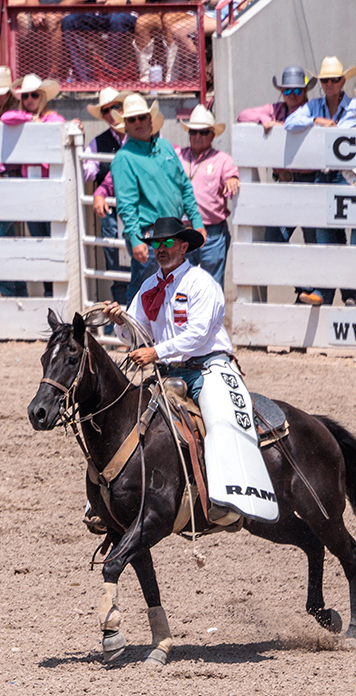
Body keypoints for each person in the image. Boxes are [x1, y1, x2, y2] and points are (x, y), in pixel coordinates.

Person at [100, 216, 274, 525]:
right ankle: (114, 496)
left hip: (208, 365)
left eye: (167, 243)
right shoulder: (149, 286)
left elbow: (199, 335)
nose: (161, 249)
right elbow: (134, 334)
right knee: (130, 420)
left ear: (183, 247)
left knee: (221, 420)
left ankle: (228, 497)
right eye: (156, 243)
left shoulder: (201, 283)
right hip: (169, 372)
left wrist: (155, 351)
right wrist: (119, 321)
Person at [281, 57, 356, 305]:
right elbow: (291, 122)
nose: (329, 84)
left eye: (334, 79)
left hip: (348, 175)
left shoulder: (355, 106)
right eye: (325, 80)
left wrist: (320, 126)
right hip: (327, 174)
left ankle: (343, 293)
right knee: (327, 230)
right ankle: (339, 294)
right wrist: (316, 121)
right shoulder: (319, 107)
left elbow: (345, 132)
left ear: (342, 81)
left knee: (350, 233)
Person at [237, 65, 322, 304]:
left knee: (314, 243)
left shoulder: (312, 108)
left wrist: (278, 126)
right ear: (282, 91)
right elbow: (243, 115)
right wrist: (267, 119)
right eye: (288, 90)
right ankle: (305, 287)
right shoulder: (275, 109)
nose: (292, 94)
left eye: (297, 89)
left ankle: (309, 292)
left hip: (310, 183)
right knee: (273, 240)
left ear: (305, 90)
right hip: (285, 185)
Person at [107, 92, 203, 304]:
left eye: (142, 117)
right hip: (148, 236)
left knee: (173, 286)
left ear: (151, 120)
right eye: (132, 119)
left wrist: (197, 221)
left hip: (175, 232)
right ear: (126, 125)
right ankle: (136, 335)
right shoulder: (124, 158)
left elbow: (185, 186)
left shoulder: (166, 147)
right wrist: (134, 239)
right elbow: (127, 204)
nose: (138, 122)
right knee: (145, 288)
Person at [0, 73, 63, 299]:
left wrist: (33, 121)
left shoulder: (53, 119)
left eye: (34, 95)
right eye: (26, 96)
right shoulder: (24, 118)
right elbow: (8, 117)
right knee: (40, 244)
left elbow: (59, 126)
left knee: (51, 244)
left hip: (49, 191)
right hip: (32, 191)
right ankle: (45, 294)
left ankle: (52, 294)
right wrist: (31, 120)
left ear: (43, 97)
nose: (29, 100)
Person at [175, 104, 237, 287]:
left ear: (212, 134)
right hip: (182, 231)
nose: (197, 136)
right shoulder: (178, 155)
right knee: (181, 284)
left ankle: (211, 317)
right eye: (193, 132)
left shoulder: (223, 160)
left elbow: (231, 175)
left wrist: (232, 179)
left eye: (203, 132)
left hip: (212, 232)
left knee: (212, 285)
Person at [83, 87, 127, 305]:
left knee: (146, 266)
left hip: (136, 210)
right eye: (107, 110)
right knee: (116, 267)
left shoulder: (143, 135)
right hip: (110, 211)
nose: (112, 113)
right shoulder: (96, 143)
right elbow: (87, 171)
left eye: (115, 107)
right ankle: (122, 322)